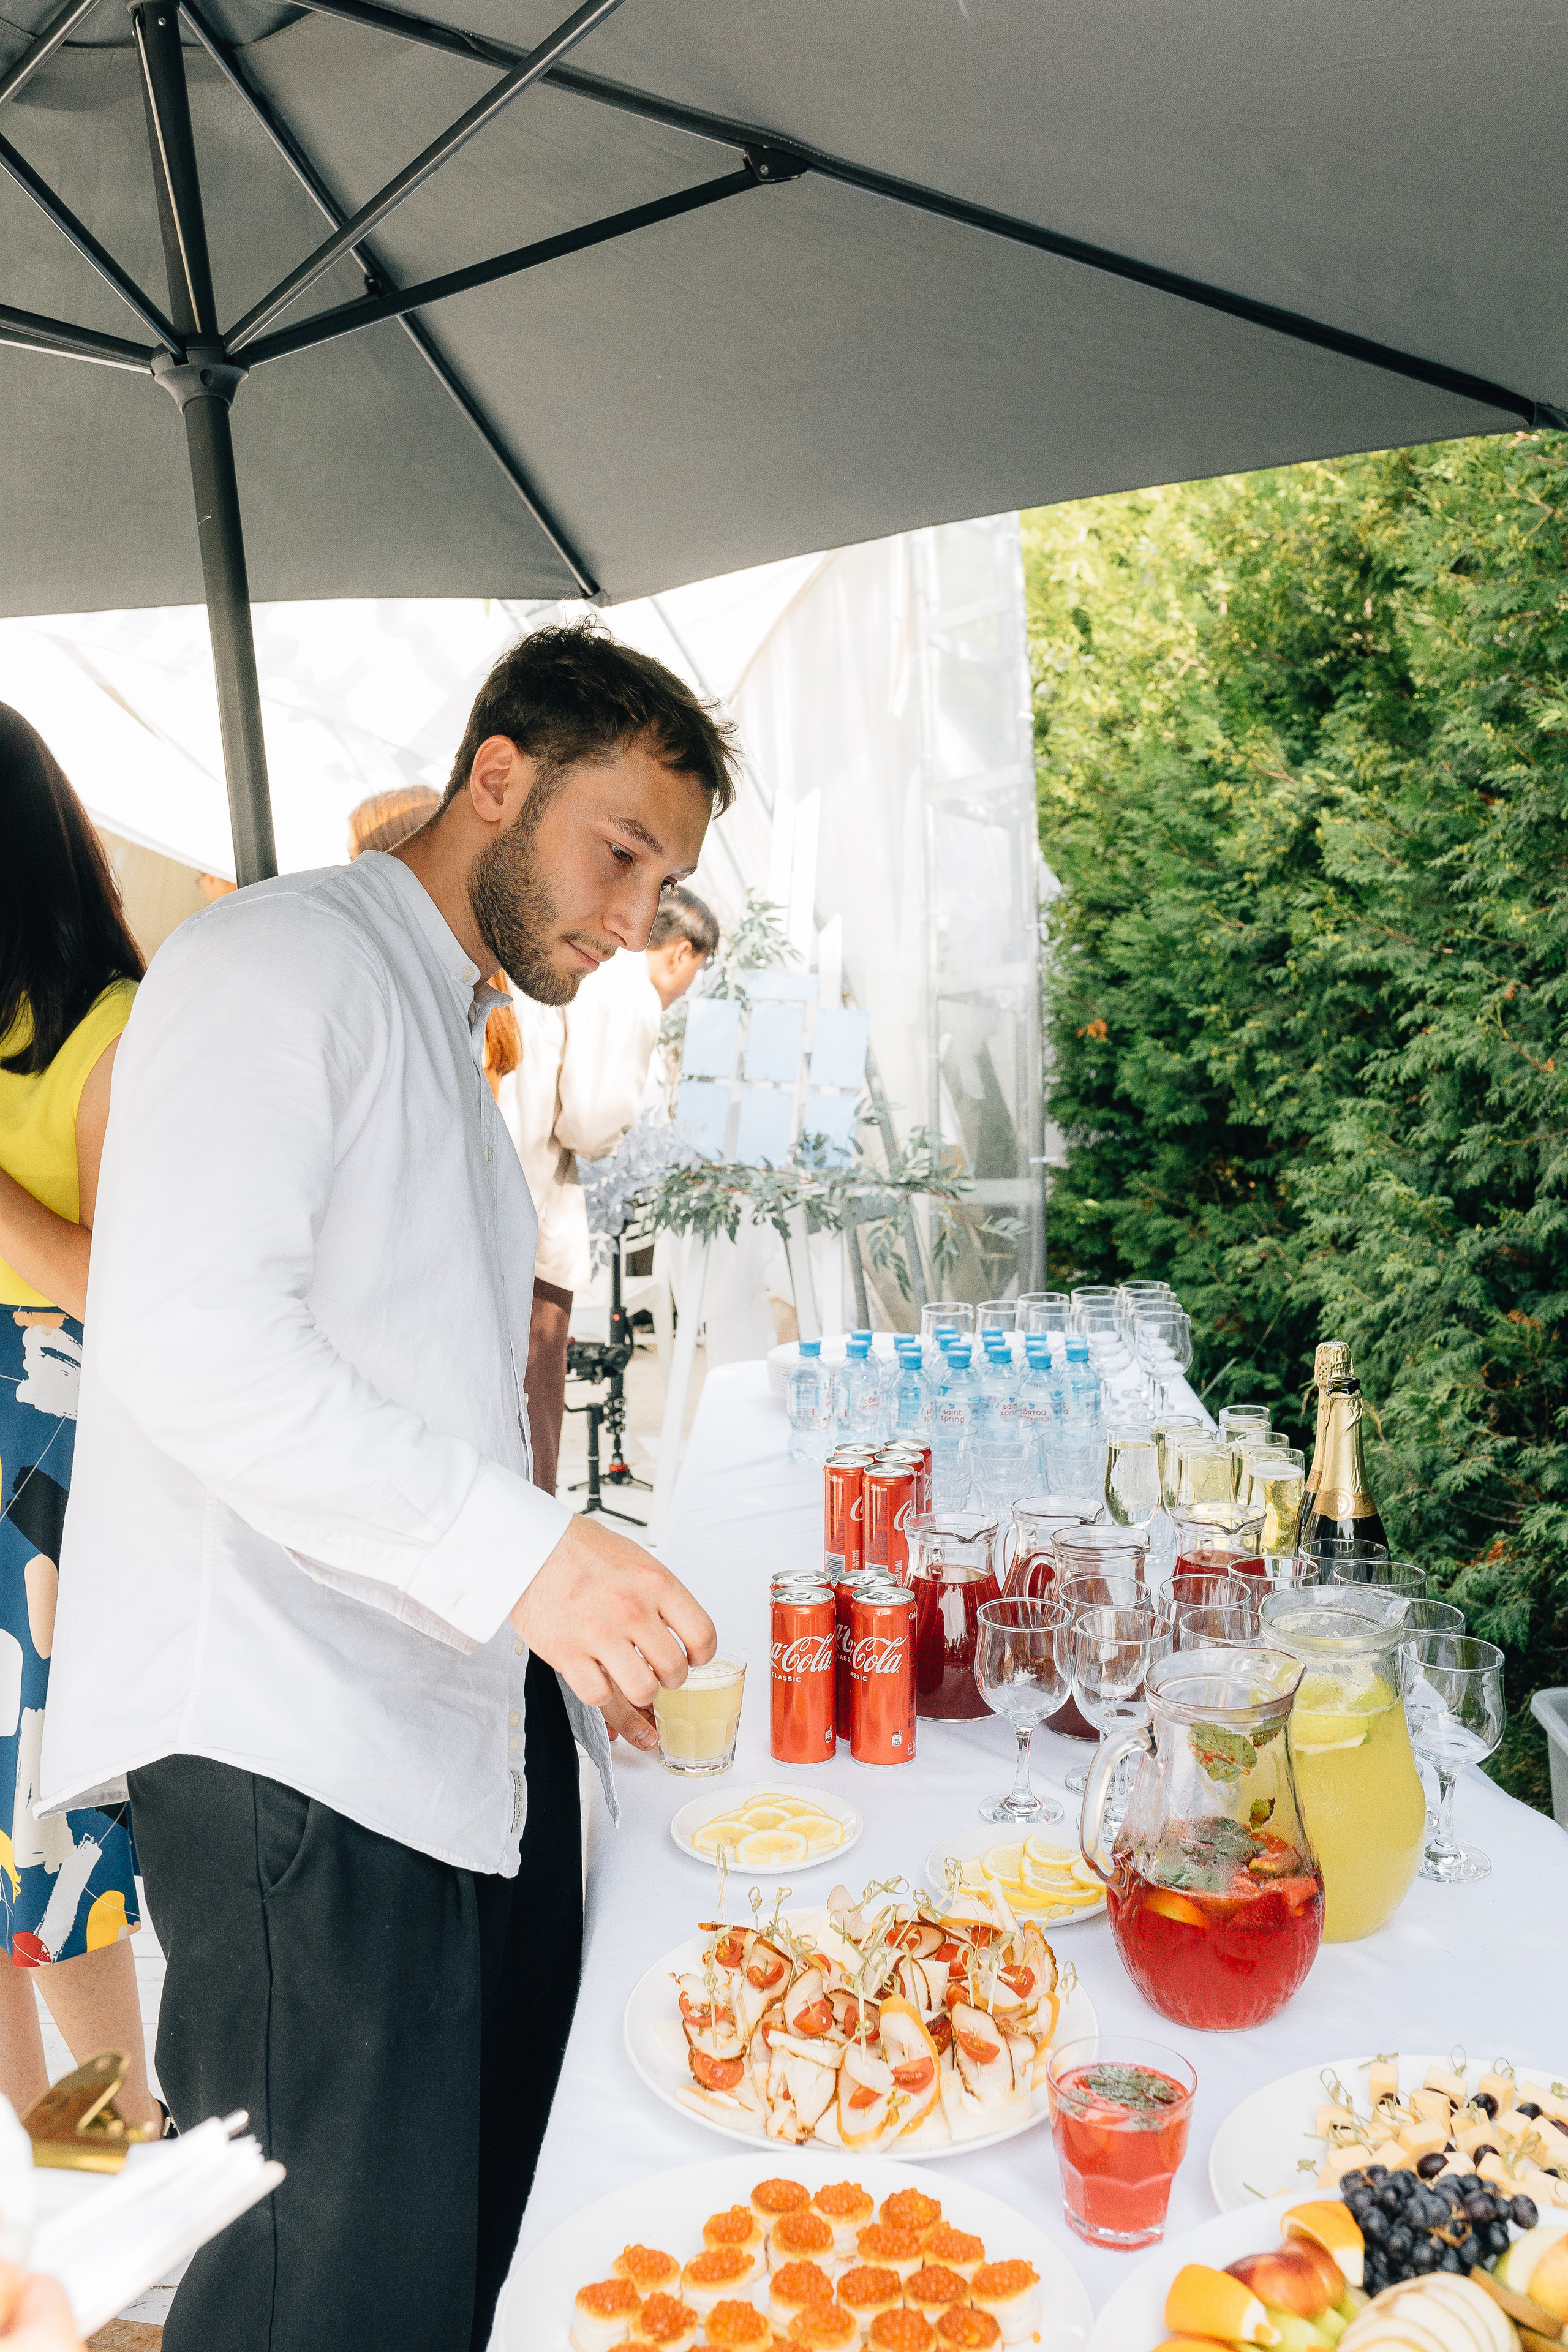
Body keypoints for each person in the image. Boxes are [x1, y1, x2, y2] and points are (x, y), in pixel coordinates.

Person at [40, 623, 738, 2352]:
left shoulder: (438, 996)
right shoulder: (281, 962)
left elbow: (413, 1373)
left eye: (670, 882)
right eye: (623, 851)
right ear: (497, 777)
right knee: (314, 2296)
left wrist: (564, 1616)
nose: (639, 918)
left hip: (424, 1715)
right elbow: (189, 1340)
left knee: (456, 2256)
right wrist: (532, 1565)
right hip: (287, 1741)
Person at [0, 706, 157, 2136]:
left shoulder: (116, 1029)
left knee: (55, 1847)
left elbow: (135, 1284)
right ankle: (56, 2169)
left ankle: (111, 2149)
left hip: (40, 1462)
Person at [505, 884, 718, 1496]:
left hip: (497, 1204)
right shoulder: (629, 991)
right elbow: (591, 1123)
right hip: (534, 1213)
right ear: (679, 954)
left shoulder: (569, 959)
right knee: (535, 1416)